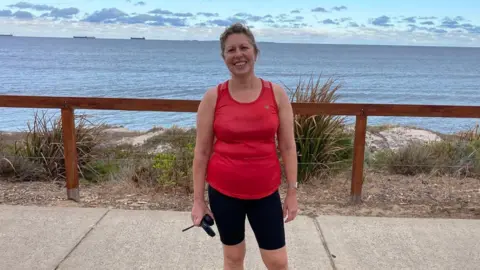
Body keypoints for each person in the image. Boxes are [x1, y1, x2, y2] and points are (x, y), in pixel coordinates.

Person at [191, 22, 298, 270]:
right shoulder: (213, 97)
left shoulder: (276, 93)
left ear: (255, 52)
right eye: (231, 50)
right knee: (233, 258)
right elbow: (202, 152)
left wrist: (292, 192)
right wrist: (198, 201)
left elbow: (288, 147)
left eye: (243, 47)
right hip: (224, 193)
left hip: (266, 192)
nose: (238, 55)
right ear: (224, 57)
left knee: (277, 261)